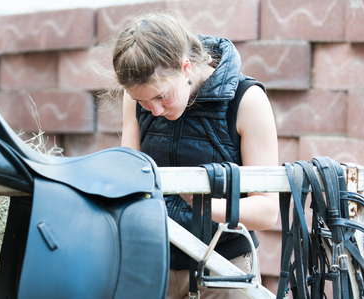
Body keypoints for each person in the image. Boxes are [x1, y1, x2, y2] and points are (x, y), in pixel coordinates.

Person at [112, 12, 279, 299]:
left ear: (185, 67)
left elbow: (267, 212)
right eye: (142, 101)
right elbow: (131, 182)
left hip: (224, 270)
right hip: (153, 266)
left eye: (161, 96)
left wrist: (202, 203)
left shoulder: (247, 101)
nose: (154, 111)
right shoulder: (137, 98)